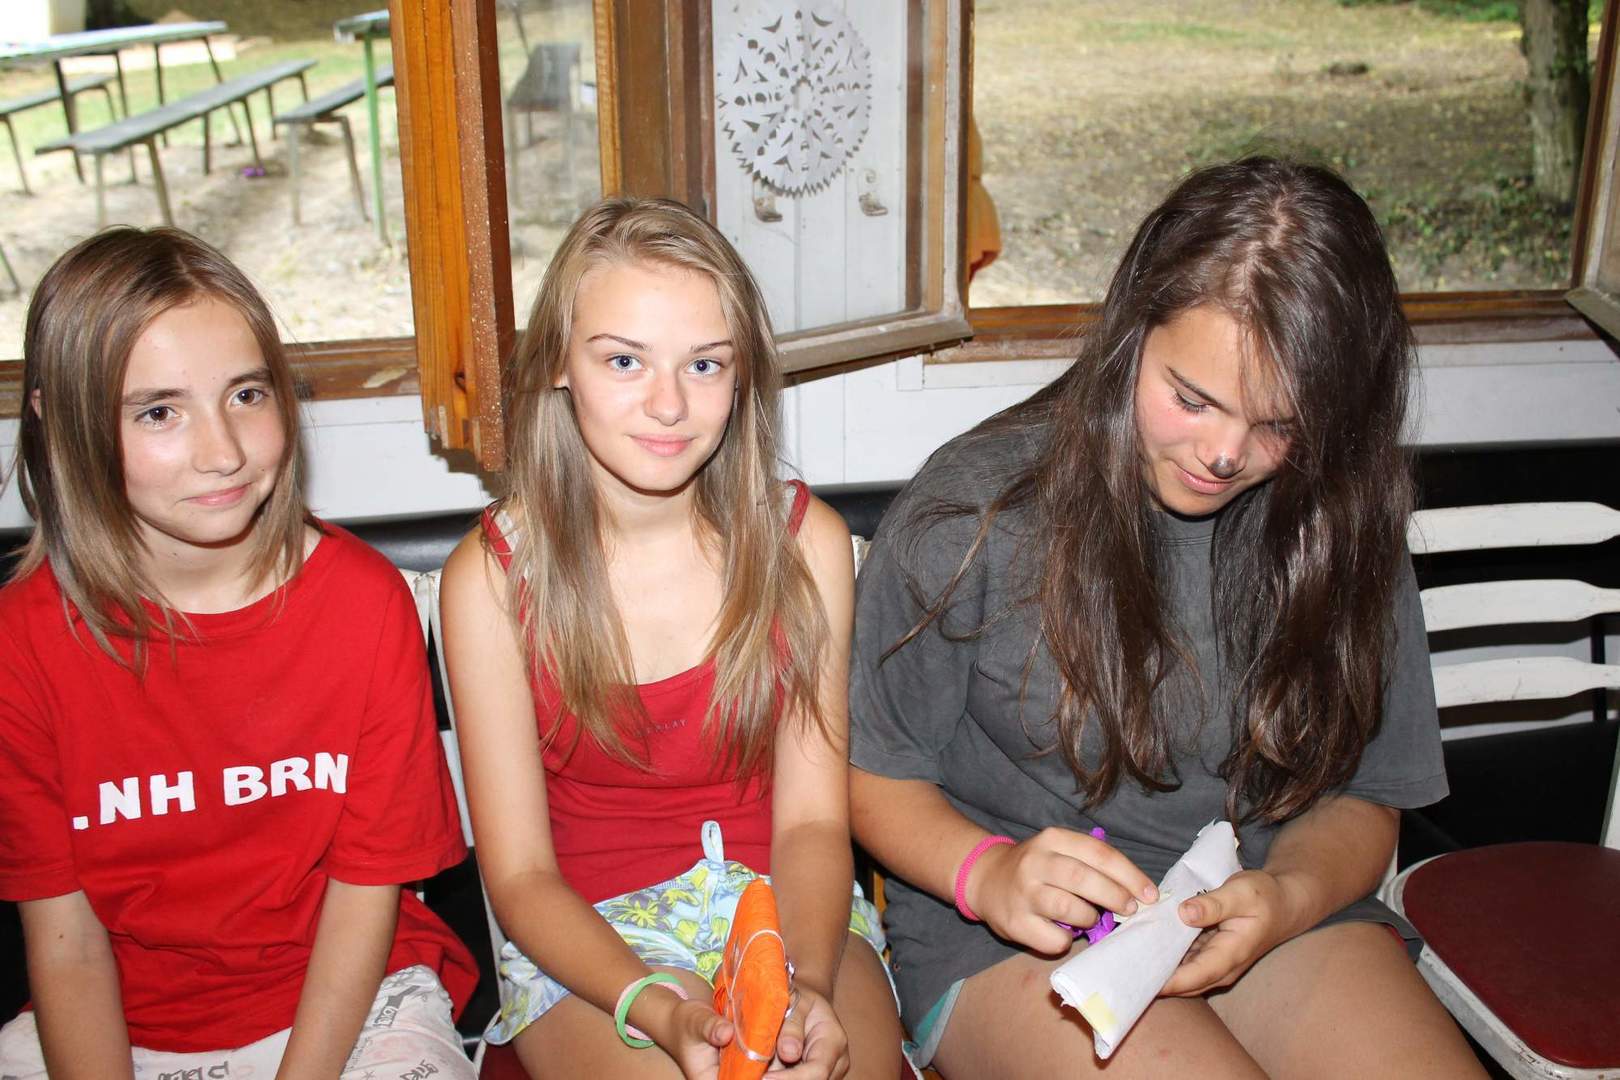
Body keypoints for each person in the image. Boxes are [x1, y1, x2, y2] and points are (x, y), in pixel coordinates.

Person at [847, 157, 1488, 1079]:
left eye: (1279, 425)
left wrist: (1288, 895)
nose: (1224, 453)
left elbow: (1366, 796)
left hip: (1264, 904)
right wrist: (986, 873)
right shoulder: (971, 511)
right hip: (1007, 933)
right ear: (1131, 333)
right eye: (1191, 399)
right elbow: (872, 776)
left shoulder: (1341, 521)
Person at [440, 197, 903, 1080]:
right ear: (559, 364)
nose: (668, 404)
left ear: (742, 374)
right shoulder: (493, 580)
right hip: (592, 940)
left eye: (704, 364)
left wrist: (801, 984)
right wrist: (660, 1005)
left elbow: (811, 821)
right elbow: (523, 878)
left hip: (793, 911)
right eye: (624, 360)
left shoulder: (804, 546)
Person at [0, 227, 479, 1080]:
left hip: (349, 1001)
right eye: (159, 411)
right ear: (57, 416)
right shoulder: (22, 644)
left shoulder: (365, 607)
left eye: (247, 395)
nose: (222, 452)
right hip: (118, 1021)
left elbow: (364, 899)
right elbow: (65, 943)